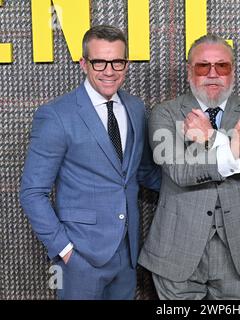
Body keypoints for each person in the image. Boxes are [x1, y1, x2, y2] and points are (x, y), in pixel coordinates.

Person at [19, 25, 160, 300]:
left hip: (128, 253)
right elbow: (32, 192)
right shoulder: (56, 115)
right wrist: (66, 250)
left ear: (126, 64)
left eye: (117, 61)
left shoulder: (135, 107)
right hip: (80, 258)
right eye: (99, 62)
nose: (109, 70)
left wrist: (200, 181)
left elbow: (141, 172)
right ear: (84, 63)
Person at [138, 34, 240, 300]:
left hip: (238, 248)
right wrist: (235, 147)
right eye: (203, 66)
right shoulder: (165, 113)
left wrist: (211, 138)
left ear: (232, 70)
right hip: (178, 247)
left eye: (222, 66)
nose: (213, 74)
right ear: (190, 70)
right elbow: (180, 171)